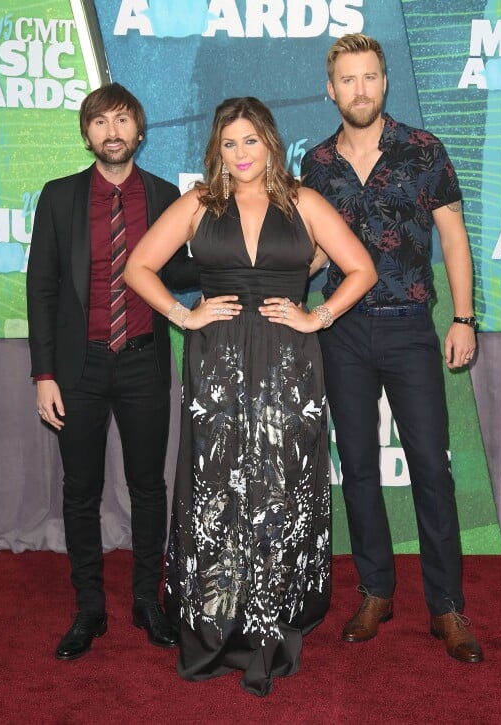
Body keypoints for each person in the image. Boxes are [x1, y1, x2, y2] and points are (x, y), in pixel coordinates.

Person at [124, 96, 378, 695]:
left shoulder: (303, 201)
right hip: (217, 365)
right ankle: (217, 620)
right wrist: (182, 316)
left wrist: (320, 316)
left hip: (290, 365)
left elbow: (360, 267)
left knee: (280, 486)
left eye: (250, 141)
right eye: (229, 143)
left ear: (270, 140)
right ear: (218, 148)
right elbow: (139, 267)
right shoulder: (198, 205)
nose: (240, 154)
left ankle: (275, 619)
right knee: (217, 488)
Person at [301, 34, 484, 663]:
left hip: (410, 326)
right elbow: (321, 250)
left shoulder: (424, 149)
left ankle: (446, 607)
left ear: (385, 83)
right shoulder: (317, 163)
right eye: (347, 79)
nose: (360, 89)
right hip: (342, 330)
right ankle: (376, 591)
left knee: (432, 467)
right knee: (355, 467)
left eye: (370, 77)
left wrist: (463, 318)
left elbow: (454, 240)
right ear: (331, 89)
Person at [27, 83, 198, 661]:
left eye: (122, 120)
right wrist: (43, 374)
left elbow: (179, 271)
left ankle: (147, 603)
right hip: (78, 367)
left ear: (139, 131)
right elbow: (42, 290)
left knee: (150, 488)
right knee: (81, 491)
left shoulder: (166, 194)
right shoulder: (59, 198)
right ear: (86, 135)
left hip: (145, 358)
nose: (112, 132)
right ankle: (88, 608)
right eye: (100, 122)